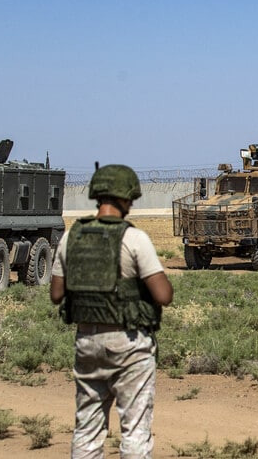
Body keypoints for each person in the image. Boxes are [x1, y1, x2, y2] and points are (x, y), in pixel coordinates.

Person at [50, 164, 173, 459]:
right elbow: (164, 295)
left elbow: (56, 294)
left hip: (86, 342)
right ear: (125, 198)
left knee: (87, 430)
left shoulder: (72, 237)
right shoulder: (134, 239)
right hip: (129, 344)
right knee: (134, 430)